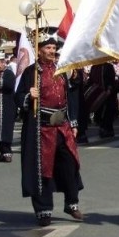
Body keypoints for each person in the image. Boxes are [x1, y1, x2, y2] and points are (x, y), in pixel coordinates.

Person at [14, 27, 85, 225]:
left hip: (62, 127)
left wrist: (73, 122)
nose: (52, 51)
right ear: (39, 50)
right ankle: (43, 209)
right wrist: (29, 96)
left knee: (69, 164)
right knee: (42, 169)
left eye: (54, 48)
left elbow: (71, 96)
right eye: (48, 48)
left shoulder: (62, 70)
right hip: (41, 129)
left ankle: (72, 203)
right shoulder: (31, 72)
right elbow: (18, 97)